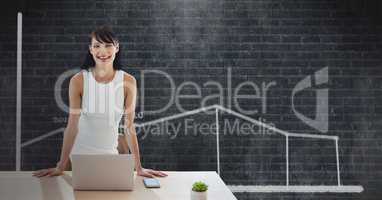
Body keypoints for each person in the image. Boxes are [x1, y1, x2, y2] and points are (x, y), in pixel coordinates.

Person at [33, 26, 167, 178]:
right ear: (90, 49)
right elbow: (72, 126)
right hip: (79, 159)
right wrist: (61, 165)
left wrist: (139, 168)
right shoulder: (78, 80)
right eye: (97, 46)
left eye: (108, 45)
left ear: (116, 48)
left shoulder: (128, 81)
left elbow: (129, 127)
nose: (102, 52)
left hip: (110, 157)